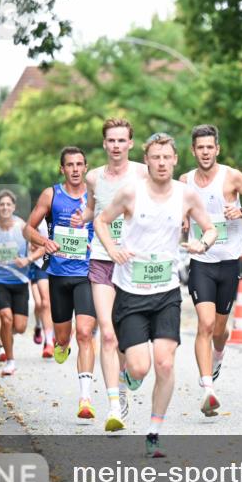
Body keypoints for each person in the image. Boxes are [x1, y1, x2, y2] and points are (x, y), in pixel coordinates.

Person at [95, 133, 217, 456]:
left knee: (164, 364)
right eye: (155, 157)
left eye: (167, 157)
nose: (161, 163)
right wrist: (112, 248)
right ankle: (125, 379)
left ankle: (153, 433)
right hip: (132, 293)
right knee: (139, 367)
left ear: (176, 160)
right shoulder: (131, 192)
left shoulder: (186, 195)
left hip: (166, 293)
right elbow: (101, 221)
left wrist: (202, 245)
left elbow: (211, 228)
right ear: (146, 161)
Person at [180, 124, 242, 417]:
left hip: (228, 262)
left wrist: (241, 211)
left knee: (219, 331)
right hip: (201, 263)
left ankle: (217, 358)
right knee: (204, 324)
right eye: (199, 147)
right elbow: (181, 216)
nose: (205, 152)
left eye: (209, 147)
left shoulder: (232, 177)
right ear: (193, 150)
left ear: (217, 149)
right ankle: (208, 390)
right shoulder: (185, 181)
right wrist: (182, 228)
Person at [83, 117, 147, 430]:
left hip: (134, 262)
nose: (116, 146)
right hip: (101, 258)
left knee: (125, 338)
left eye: (122, 140)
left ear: (130, 143)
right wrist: (75, 218)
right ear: (104, 143)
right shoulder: (93, 177)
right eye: (111, 140)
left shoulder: (143, 172)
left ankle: (124, 380)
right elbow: (93, 210)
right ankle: (113, 406)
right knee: (107, 333)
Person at [25, 147, 98, 421]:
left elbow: (114, 223)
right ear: (62, 169)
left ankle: (85, 398)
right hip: (57, 275)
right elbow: (28, 229)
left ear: (86, 167)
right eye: (70, 165)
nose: (76, 169)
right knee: (65, 337)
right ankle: (60, 343)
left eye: (80, 164)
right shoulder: (51, 195)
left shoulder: (96, 196)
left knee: (85, 333)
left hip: (87, 274)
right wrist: (45, 242)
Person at [0, 190, 43, 376]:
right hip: (0, 282)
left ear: (13, 207)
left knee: (19, 327)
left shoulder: (22, 227)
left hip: (20, 282)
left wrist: (28, 259)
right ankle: (10, 361)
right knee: (6, 318)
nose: (5, 208)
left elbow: (42, 248)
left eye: (8, 204)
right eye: (2, 205)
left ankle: (6, 338)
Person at [28, 218, 55, 358]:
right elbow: (29, 233)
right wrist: (34, 246)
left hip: (60, 264)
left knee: (53, 304)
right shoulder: (39, 217)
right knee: (43, 303)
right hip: (40, 264)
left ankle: (52, 334)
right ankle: (49, 341)